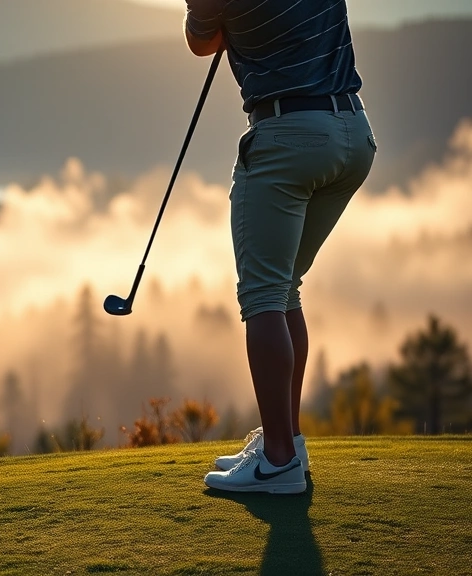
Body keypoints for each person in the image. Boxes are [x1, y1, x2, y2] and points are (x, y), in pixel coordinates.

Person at [184, 0, 376, 494]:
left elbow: (200, 41)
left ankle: (279, 462)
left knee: (265, 295)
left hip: (288, 137)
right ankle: (283, 438)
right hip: (352, 134)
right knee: (286, 287)